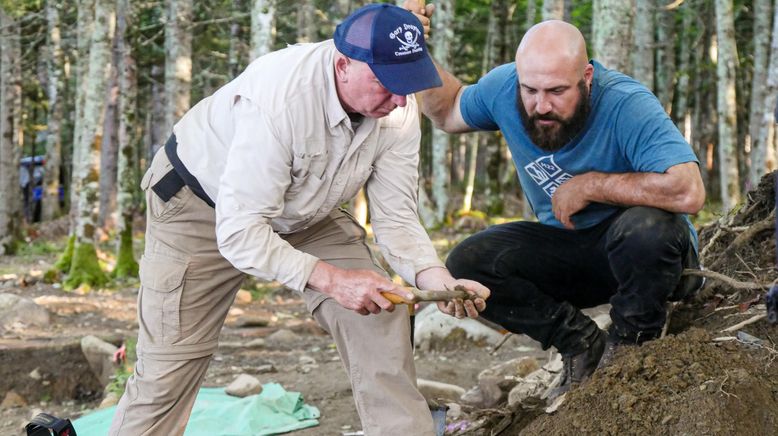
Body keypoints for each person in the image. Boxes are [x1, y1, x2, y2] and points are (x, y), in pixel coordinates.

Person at [109, 4, 489, 435]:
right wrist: (333, 280)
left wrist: (436, 280)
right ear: (343, 63)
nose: (400, 99)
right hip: (201, 207)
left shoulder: (397, 110)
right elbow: (240, 232)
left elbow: (397, 216)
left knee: (381, 312)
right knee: (170, 368)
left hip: (308, 211)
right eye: (387, 84)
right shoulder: (280, 101)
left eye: (408, 83)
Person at [409, 10, 705, 398]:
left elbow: (688, 192)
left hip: (648, 258)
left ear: (586, 77)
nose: (541, 106)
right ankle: (580, 343)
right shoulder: (505, 89)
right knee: (470, 263)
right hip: (572, 251)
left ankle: (632, 349)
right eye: (530, 91)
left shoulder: (626, 103)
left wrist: (591, 185)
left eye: (556, 92)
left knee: (647, 229)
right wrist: (412, 48)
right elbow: (446, 109)